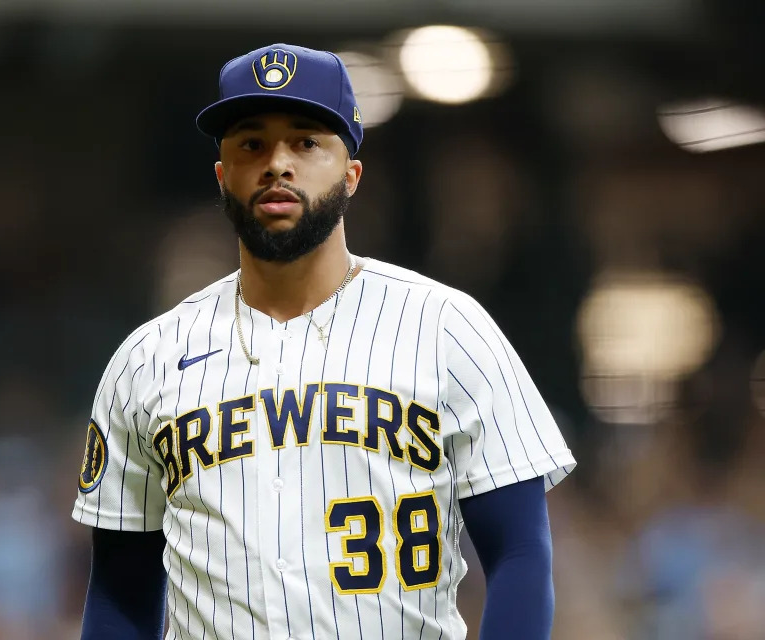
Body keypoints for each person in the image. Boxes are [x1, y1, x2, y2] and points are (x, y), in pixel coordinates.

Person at [72, 43, 576, 640]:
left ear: (351, 173)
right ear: (222, 173)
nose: (277, 164)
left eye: (306, 142)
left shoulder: (447, 329)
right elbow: (120, 596)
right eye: (251, 143)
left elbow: (520, 555)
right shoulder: (147, 360)